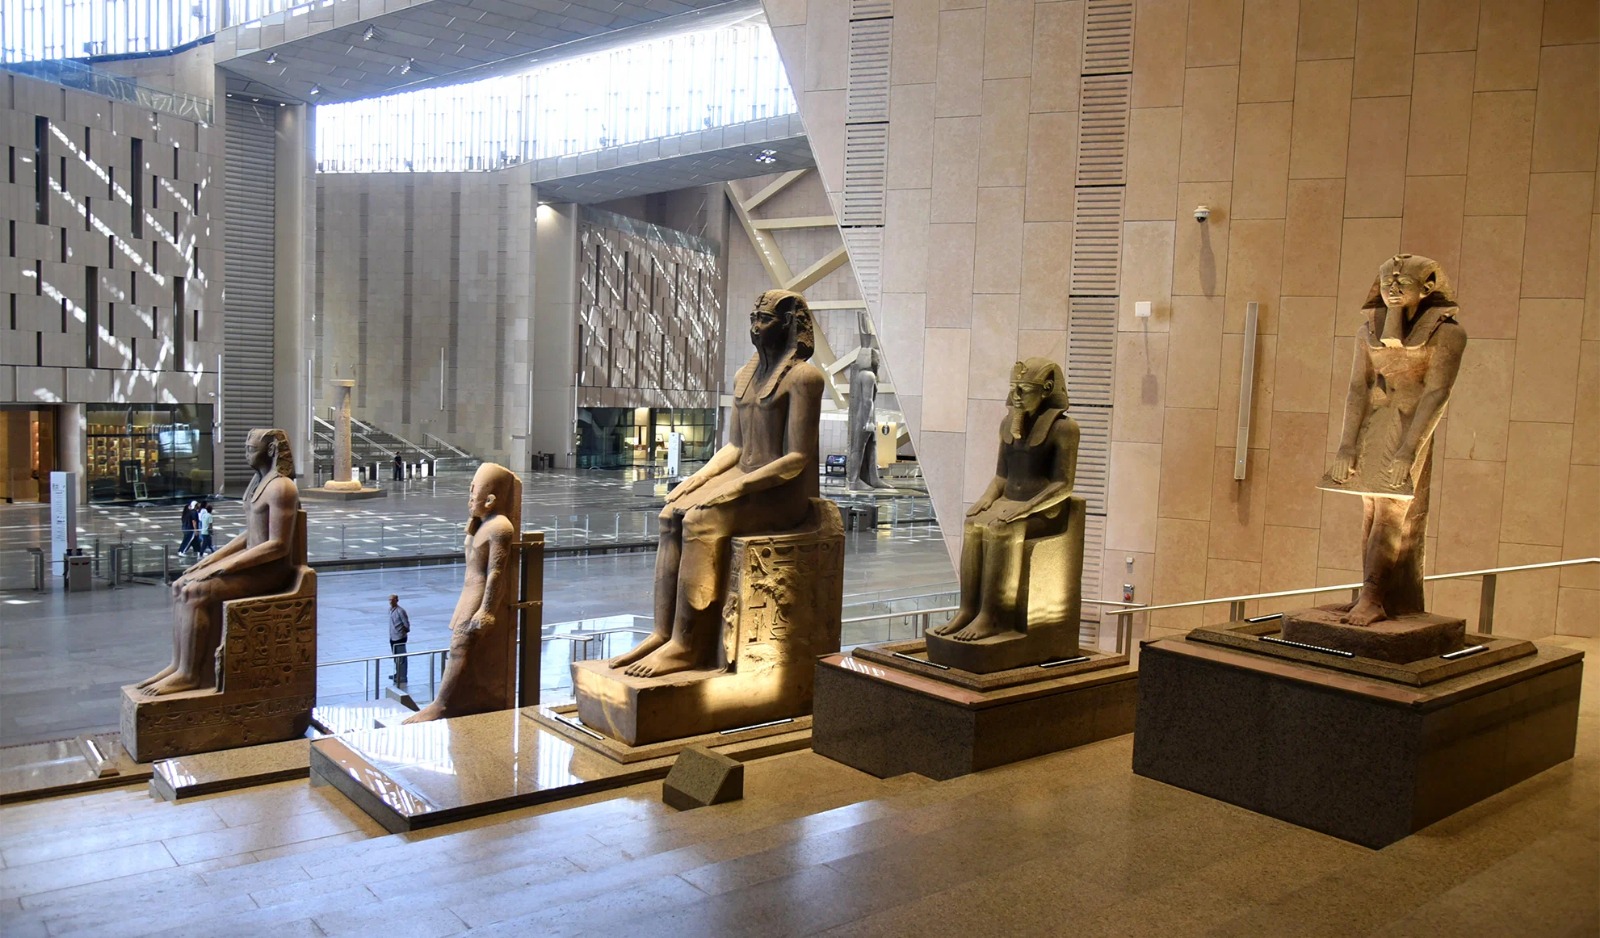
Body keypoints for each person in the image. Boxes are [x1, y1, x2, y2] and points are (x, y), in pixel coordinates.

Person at [610, 289, 824, 679]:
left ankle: (687, 646)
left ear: (789, 325)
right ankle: (662, 633)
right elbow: (736, 447)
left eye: (765, 320)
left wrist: (735, 489)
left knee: (700, 521)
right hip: (747, 477)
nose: (756, 328)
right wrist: (699, 478)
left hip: (783, 492)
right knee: (671, 514)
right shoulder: (745, 375)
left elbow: (796, 458)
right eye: (753, 319)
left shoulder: (804, 378)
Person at [1320, 254, 1466, 626]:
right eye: (1388, 282)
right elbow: (1358, 388)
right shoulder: (1366, 333)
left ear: (1428, 287)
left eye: (1403, 282)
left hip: (1410, 427)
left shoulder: (1448, 334)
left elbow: (1437, 393)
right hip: (1375, 424)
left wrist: (1409, 449)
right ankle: (1370, 594)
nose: (1394, 288)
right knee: (1370, 511)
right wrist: (1346, 445)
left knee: (1391, 513)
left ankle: (1373, 598)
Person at [137, 429, 300, 696]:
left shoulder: (282, 487)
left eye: (251, 449)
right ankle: (178, 665)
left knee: (195, 592)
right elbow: (251, 534)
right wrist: (209, 561)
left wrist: (226, 566)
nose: (246, 453)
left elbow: (277, 545)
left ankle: (190, 675)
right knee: (180, 585)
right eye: (245, 448)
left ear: (271, 450)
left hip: (270, 571)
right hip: (253, 563)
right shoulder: (258, 483)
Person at [930, 358, 1079, 641]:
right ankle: (968, 609)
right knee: (972, 525)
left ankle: (993, 617)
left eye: (1025, 389)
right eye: (1014, 388)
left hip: (1044, 510)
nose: (1017, 396)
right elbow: (1001, 476)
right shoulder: (1007, 424)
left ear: (1047, 389)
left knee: (1001, 530)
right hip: (1009, 503)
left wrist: (1026, 508)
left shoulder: (1064, 428)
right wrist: (986, 499)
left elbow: (1063, 485)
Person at [404, 462, 522, 722]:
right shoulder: (481, 523)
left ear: (490, 500)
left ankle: (442, 704)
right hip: (468, 593)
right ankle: (456, 697)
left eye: (474, 492)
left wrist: (487, 609)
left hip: (478, 595)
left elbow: (496, 572)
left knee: (459, 646)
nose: (469, 498)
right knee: (459, 646)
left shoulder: (500, 527)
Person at [387, 594, 411, 685]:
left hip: (399, 638)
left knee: (401, 658)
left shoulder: (400, 611)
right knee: (396, 658)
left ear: (396, 600)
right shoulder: (390, 610)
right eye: (389, 600)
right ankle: (398, 673)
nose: (390, 602)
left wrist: (402, 632)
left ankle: (403, 676)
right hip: (392, 637)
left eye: (392, 600)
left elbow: (406, 624)